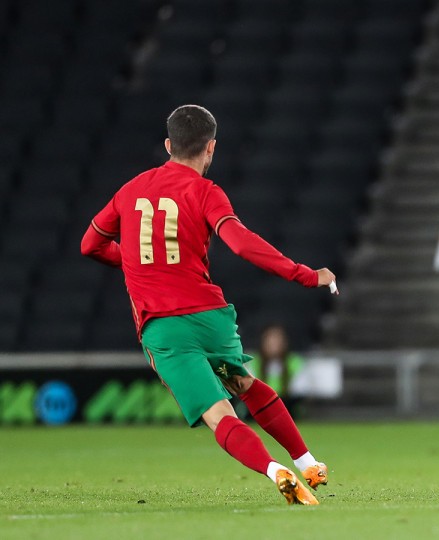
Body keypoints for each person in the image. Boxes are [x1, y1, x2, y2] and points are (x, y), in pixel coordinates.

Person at [81, 105, 336, 505]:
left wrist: (134, 258)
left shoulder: (129, 191)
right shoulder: (206, 191)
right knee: (243, 383)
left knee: (221, 415)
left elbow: (89, 244)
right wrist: (303, 273)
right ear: (211, 149)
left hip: (163, 326)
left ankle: (274, 470)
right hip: (209, 316)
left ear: (168, 145)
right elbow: (240, 242)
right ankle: (307, 461)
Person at [247, 324, 304, 401]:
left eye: (277, 340)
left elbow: (299, 391)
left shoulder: (295, 362)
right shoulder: (252, 361)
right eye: (269, 340)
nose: (273, 344)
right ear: (263, 342)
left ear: (285, 343)